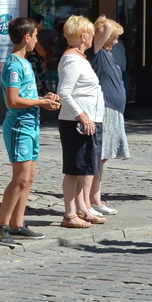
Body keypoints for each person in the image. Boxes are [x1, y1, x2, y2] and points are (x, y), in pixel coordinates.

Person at [0, 16, 59, 242]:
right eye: (36, 36)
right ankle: (0, 226)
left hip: (31, 123)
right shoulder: (13, 64)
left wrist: (43, 97)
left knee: (29, 176)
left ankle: (17, 223)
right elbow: (12, 100)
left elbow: (25, 96)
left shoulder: (26, 63)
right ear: (27, 37)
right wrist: (41, 102)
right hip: (20, 125)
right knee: (20, 178)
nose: (37, 40)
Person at [56, 15, 106, 227]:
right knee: (74, 168)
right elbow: (64, 92)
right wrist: (82, 115)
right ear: (84, 36)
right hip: (76, 122)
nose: (93, 38)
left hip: (90, 120)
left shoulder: (81, 57)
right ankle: (69, 213)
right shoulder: (72, 59)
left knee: (86, 167)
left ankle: (83, 207)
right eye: (91, 34)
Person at [92, 15, 129, 216]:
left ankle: (96, 198)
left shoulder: (108, 53)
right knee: (99, 156)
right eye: (114, 37)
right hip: (105, 109)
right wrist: (105, 23)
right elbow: (104, 27)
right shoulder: (96, 52)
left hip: (114, 110)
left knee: (103, 157)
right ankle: (93, 198)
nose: (116, 41)